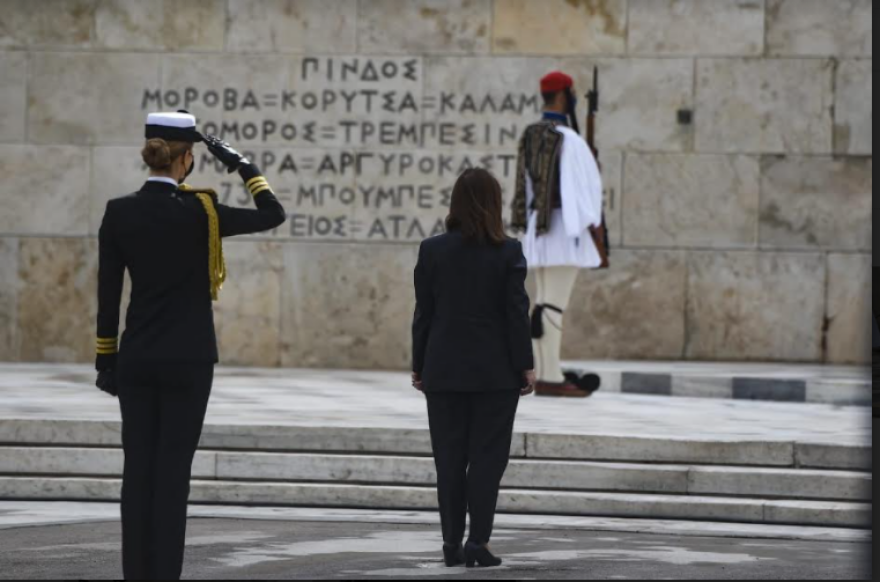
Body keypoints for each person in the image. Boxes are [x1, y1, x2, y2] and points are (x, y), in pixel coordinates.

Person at [95, 111, 286, 580]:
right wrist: (242, 164)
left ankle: (136, 573)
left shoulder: (119, 212)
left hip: (137, 358)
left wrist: (106, 359)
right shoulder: (204, 213)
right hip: (189, 360)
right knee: (173, 472)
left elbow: (107, 293)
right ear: (188, 159)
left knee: (137, 469)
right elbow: (272, 214)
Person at [412, 168, 536, 569]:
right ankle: (477, 541)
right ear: (495, 204)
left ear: (455, 204)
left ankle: (450, 543)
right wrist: (525, 366)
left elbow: (423, 316)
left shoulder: (432, 251)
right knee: (486, 459)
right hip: (495, 374)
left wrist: (420, 364)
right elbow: (516, 315)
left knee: (448, 458)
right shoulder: (509, 252)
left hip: (444, 370)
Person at [511, 71, 605, 398]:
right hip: (565, 230)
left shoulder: (532, 134)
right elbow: (583, 191)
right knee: (553, 304)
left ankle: (546, 370)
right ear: (564, 96)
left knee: (543, 302)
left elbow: (523, 188)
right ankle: (550, 375)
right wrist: (587, 229)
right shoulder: (570, 140)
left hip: (538, 230)